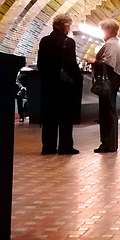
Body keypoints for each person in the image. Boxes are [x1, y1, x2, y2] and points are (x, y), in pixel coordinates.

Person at [37, 13, 82, 155]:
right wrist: (77, 78)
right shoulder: (68, 42)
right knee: (65, 116)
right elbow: (71, 64)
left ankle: (48, 147)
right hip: (65, 86)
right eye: (69, 25)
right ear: (64, 26)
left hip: (48, 85)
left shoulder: (44, 41)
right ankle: (65, 146)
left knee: (49, 116)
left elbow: (40, 63)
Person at [93, 18, 120, 153]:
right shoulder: (116, 44)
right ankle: (110, 142)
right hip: (113, 82)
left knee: (106, 112)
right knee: (110, 111)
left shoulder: (111, 45)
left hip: (108, 83)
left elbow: (107, 63)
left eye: (103, 30)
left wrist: (94, 61)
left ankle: (107, 142)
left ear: (109, 30)